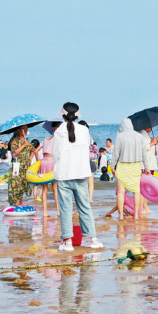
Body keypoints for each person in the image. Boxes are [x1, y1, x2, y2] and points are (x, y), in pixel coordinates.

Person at [53, 102, 103, 251]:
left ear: (63, 114)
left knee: (65, 209)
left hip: (64, 174)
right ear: (77, 115)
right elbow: (88, 149)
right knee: (85, 206)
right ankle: (93, 239)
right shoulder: (84, 130)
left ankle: (67, 242)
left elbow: (56, 155)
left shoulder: (58, 132)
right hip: (81, 173)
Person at [111, 118, 151, 220]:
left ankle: (120, 216)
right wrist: (147, 167)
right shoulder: (139, 136)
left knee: (121, 192)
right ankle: (136, 215)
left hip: (122, 165)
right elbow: (144, 154)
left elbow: (116, 154)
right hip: (135, 166)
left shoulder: (119, 136)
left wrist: (112, 166)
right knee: (136, 191)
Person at [7, 125, 37, 206]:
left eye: (27, 129)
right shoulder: (15, 141)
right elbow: (14, 153)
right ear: (18, 130)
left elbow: (33, 150)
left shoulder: (27, 140)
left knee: (22, 187)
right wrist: (23, 145)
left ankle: (20, 206)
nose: (26, 130)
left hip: (26, 167)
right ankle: (16, 206)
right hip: (17, 166)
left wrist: (30, 159)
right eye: (24, 129)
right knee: (16, 187)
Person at [38, 122, 61, 217]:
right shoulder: (58, 139)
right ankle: (59, 212)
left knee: (44, 189)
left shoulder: (46, 139)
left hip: (44, 162)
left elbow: (36, 150)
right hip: (52, 162)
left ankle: (45, 212)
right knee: (55, 188)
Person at [139, 127, 158, 214]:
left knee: (146, 187)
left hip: (149, 163)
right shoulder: (141, 134)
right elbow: (143, 149)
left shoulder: (146, 134)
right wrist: (152, 143)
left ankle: (145, 207)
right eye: (150, 126)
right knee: (143, 187)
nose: (152, 128)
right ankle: (142, 207)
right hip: (145, 164)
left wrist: (154, 142)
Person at [78, 121, 97, 201]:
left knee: (80, 181)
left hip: (82, 160)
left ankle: (81, 198)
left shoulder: (78, 136)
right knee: (90, 180)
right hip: (90, 160)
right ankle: (90, 198)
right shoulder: (89, 136)